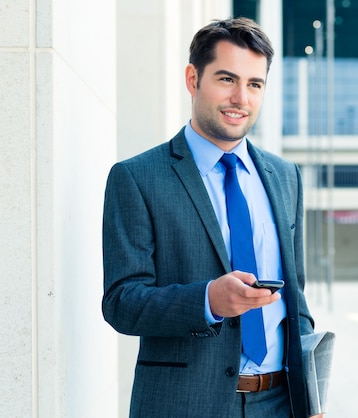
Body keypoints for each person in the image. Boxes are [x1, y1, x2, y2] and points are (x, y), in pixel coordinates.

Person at [102, 17, 322, 418]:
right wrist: (207, 301)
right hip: (185, 403)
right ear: (193, 79)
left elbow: (297, 300)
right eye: (226, 79)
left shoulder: (286, 177)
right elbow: (121, 303)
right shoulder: (137, 178)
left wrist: (312, 397)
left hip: (280, 403)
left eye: (255, 84)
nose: (241, 97)